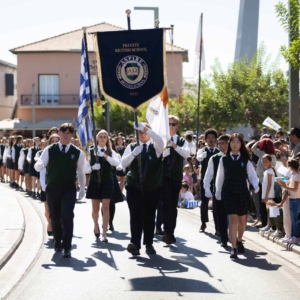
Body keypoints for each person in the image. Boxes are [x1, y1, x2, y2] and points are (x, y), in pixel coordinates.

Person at [35, 123, 86, 258]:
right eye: (63, 132)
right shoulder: (50, 149)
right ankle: (57, 241)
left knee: (67, 215)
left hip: (69, 188)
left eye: (69, 133)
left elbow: (81, 172)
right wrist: (39, 165)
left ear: (72, 135)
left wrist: (82, 188)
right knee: (55, 218)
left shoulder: (77, 152)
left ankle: (67, 246)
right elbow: (41, 161)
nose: (65, 135)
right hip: (52, 188)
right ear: (59, 134)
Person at [121, 122, 164, 255]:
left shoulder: (156, 147)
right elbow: (123, 163)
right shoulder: (132, 146)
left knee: (149, 216)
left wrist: (146, 128)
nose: (142, 133)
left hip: (152, 188)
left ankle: (149, 243)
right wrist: (133, 154)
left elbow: (160, 140)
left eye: (145, 131)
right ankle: (135, 243)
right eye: (139, 132)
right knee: (135, 215)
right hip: (134, 186)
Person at [215, 133, 259, 259]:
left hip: (242, 190)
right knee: (233, 219)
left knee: (242, 221)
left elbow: (252, 176)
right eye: (232, 142)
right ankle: (233, 248)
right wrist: (218, 191)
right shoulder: (224, 159)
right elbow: (220, 177)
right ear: (229, 144)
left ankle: (239, 240)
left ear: (241, 144)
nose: (235, 144)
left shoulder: (246, 160)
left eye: (237, 142)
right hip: (228, 190)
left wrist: (256, 187)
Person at [85, 130, 120, 242]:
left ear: (107, 139)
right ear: (97, 138)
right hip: (94, 181)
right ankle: (96, 225)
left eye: (105, 137)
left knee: (105, 207)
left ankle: (104, 233)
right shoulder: (90, 151)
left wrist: (105, 155)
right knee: (95, 210)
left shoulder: (111, 152)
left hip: (107, 181)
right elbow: (84, 169)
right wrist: (92, 168)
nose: (102, 138)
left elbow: (117, 163)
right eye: (100, 136)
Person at [161, 115, 190, 245]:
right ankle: (167, 232)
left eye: (173, 124)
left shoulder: (181, 141)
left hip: (176, 176)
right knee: (166, 204)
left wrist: (174, 146)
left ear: (177, 127)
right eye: (169, 124)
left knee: (173, 205)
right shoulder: (161, 139)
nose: (171, 127)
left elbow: (186, 153)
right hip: (163, 176)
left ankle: (170, 231)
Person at [203, 134, 230, 247]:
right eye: (218, 143)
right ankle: (223, 236)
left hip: (232, 191)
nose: (219, 145)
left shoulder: (235, 157)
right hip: (218, 191)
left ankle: (235, 237)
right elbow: (208, 175)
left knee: (233, 216)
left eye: (222, 143)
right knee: (220, 215)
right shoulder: (214, 158)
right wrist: (207, 189)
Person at [197, 128, 220, 233]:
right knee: (204, 203)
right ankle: (203, 223)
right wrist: (202, 155)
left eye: (213, 137)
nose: (211, 139)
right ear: (205, 139)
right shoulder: (202, 151)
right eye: (209, 138)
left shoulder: (219, 152)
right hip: (205, 180)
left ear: (216, 139)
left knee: (216, 204)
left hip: (216, 181)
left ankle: (217, 227)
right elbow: (199, 158)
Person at [251, 138, 276, 229]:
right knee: (268, 204)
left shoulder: (263, 154)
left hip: (263, 181)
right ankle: (269, 224)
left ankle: (265, 223)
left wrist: (258, 141)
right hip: (267, 181)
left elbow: (252, 149)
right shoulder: (273, 156)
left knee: (263, 204)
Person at [38, 134, 60, 237]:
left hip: (59, 186)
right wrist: (44, 186)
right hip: (46, 186)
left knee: (58, 209)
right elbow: (42, 172)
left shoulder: (63, 153)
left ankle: (58, 227)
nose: (55, 142)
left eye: (57, 140)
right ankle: (50, 223)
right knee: (47, 211)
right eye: (53, 141)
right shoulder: (46, 153)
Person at [276, 158, 300, 244]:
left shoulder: (297, 176)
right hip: (292, 199)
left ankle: (295, 236)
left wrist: (285, 186)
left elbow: (295, 188)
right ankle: (293, 236)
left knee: (294, 219)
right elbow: (287, 187)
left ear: (291, 166)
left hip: (296, 200)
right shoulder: (293, 175)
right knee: (293, 219)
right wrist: (282, 184)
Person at [261, 154, 283, 237]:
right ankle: (272, 227)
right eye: (263, 162)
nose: (264, 163)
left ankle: (275, 228)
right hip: (266, 194)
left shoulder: (270, 171)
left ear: (270, 161)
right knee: (269, 211)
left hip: (269, 194)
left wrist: (266, 196)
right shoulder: (267, 171)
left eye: (266, 161)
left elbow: (269, 184)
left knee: (272, 211)